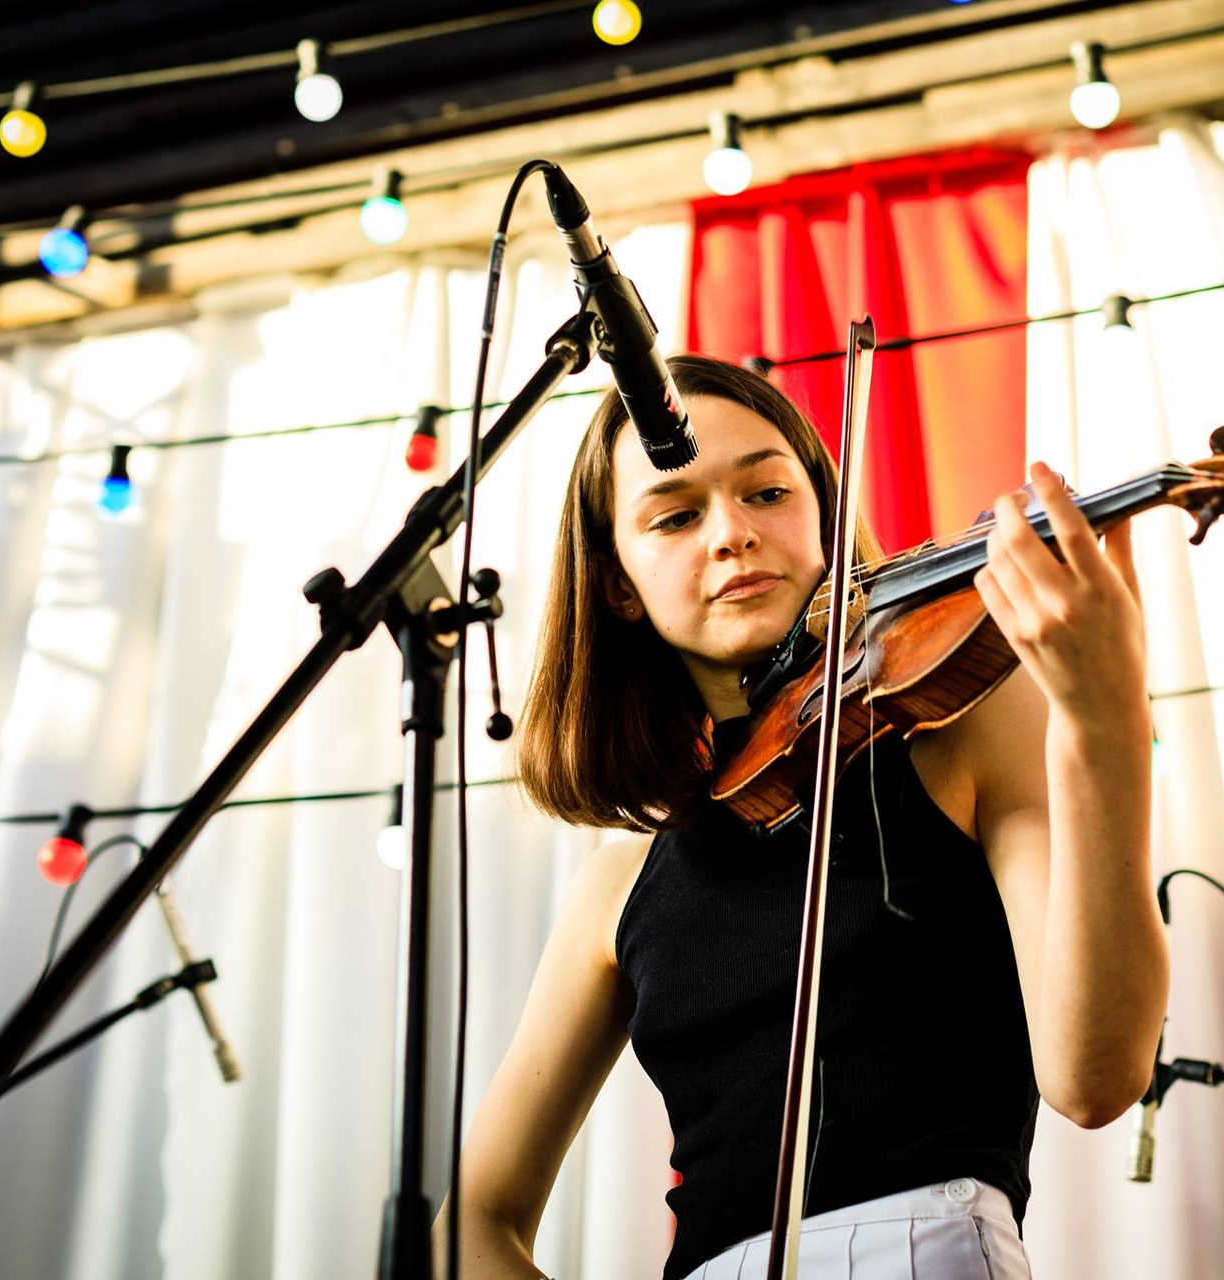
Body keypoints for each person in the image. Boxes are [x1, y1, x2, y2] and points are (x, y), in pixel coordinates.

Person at [434, 355, 1168, 1279]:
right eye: (675, 516)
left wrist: (1103, 720)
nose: (733, 534)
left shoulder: (963, 734)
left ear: (824, 513)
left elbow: (1096, 1079)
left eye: (768, 492)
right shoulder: (620, 883)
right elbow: (470, 1228)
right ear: (618, 582)